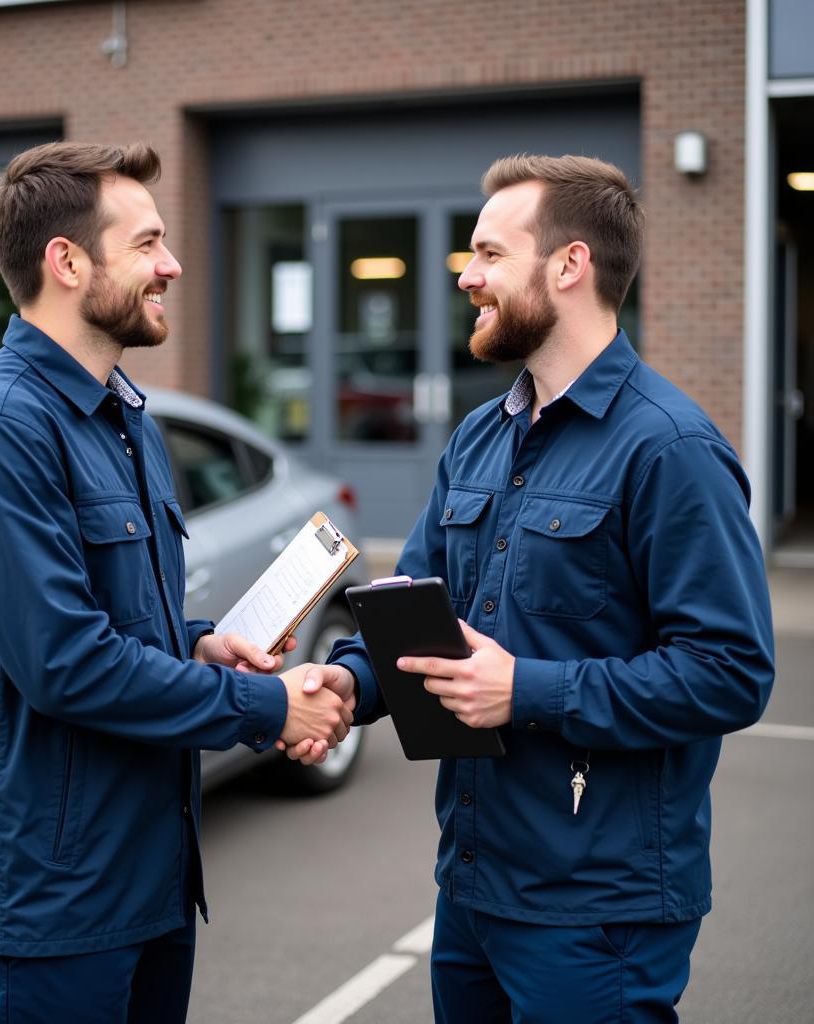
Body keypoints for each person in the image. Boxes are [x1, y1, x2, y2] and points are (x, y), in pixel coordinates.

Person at [291, 154, 775, 1022]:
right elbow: (416, 609)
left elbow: (730, 670)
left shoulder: (669, 450)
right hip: (473, 885)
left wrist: (525, 689)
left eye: (487, 253)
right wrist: (350, 682)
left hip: (599, 912)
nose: (467, 276)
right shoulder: (479, 437)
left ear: (569, 265)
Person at [0, 141, 352, 1024]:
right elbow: (64, 663)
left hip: (149, 876)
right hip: (50, 903)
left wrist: (199, 643)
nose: (173, 264)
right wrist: (270, 710)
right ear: (66, 262)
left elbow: (108, 617)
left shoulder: (126, 418)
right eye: (147, 242)